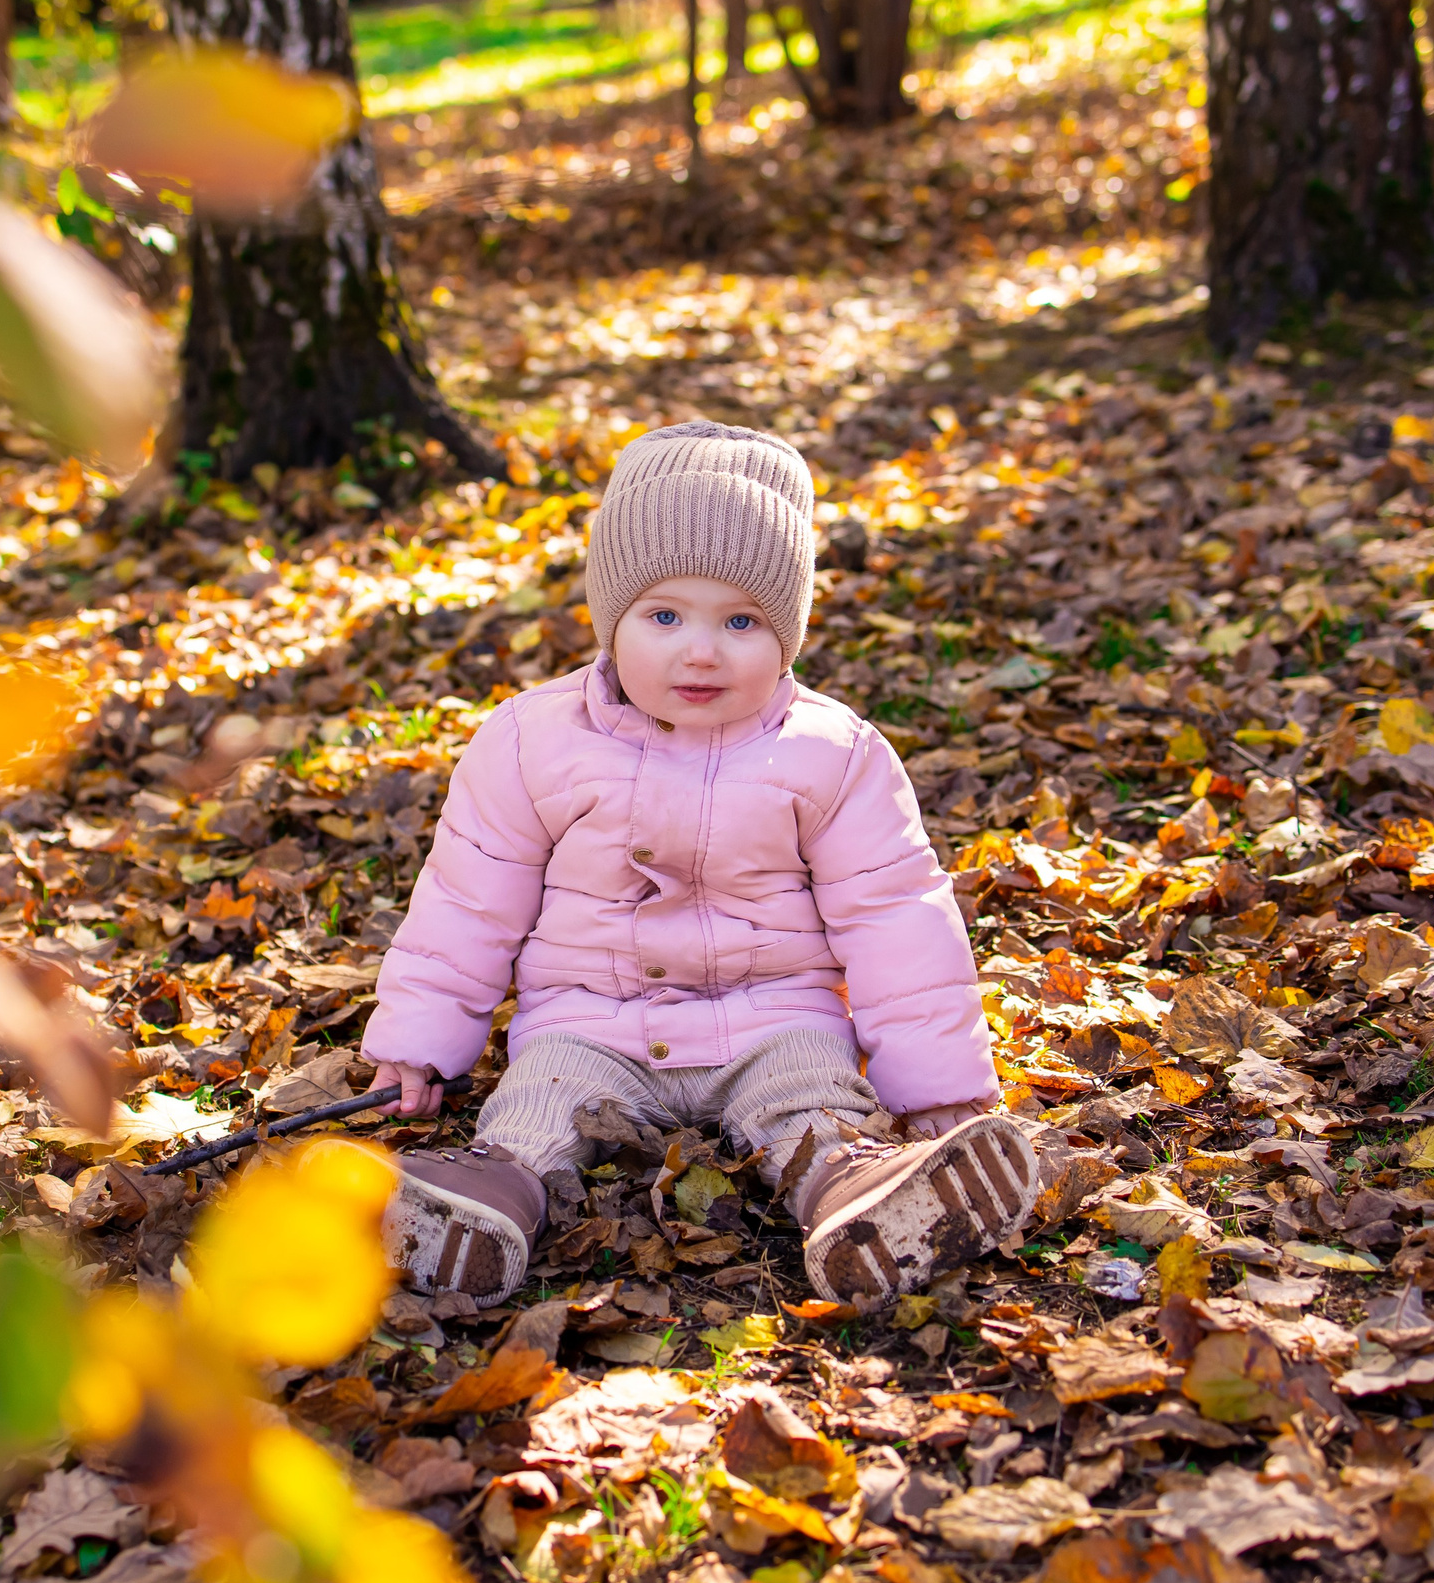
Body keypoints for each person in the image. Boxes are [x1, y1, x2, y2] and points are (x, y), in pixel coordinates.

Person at [359, 421, 1039, 1309]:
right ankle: (483, 1204)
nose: (702, 650)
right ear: (612, 619)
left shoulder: (833, 753)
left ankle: (860, 1197)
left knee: (812, 1101)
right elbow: (466, 903)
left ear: (789, 632)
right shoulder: (530, 741)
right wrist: (417, 1044)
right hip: (590, 1020)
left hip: (775, 1016)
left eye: (743, 619)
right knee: (538, 1109)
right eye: (665, 615)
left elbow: (894, 914)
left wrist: (939, 1084)